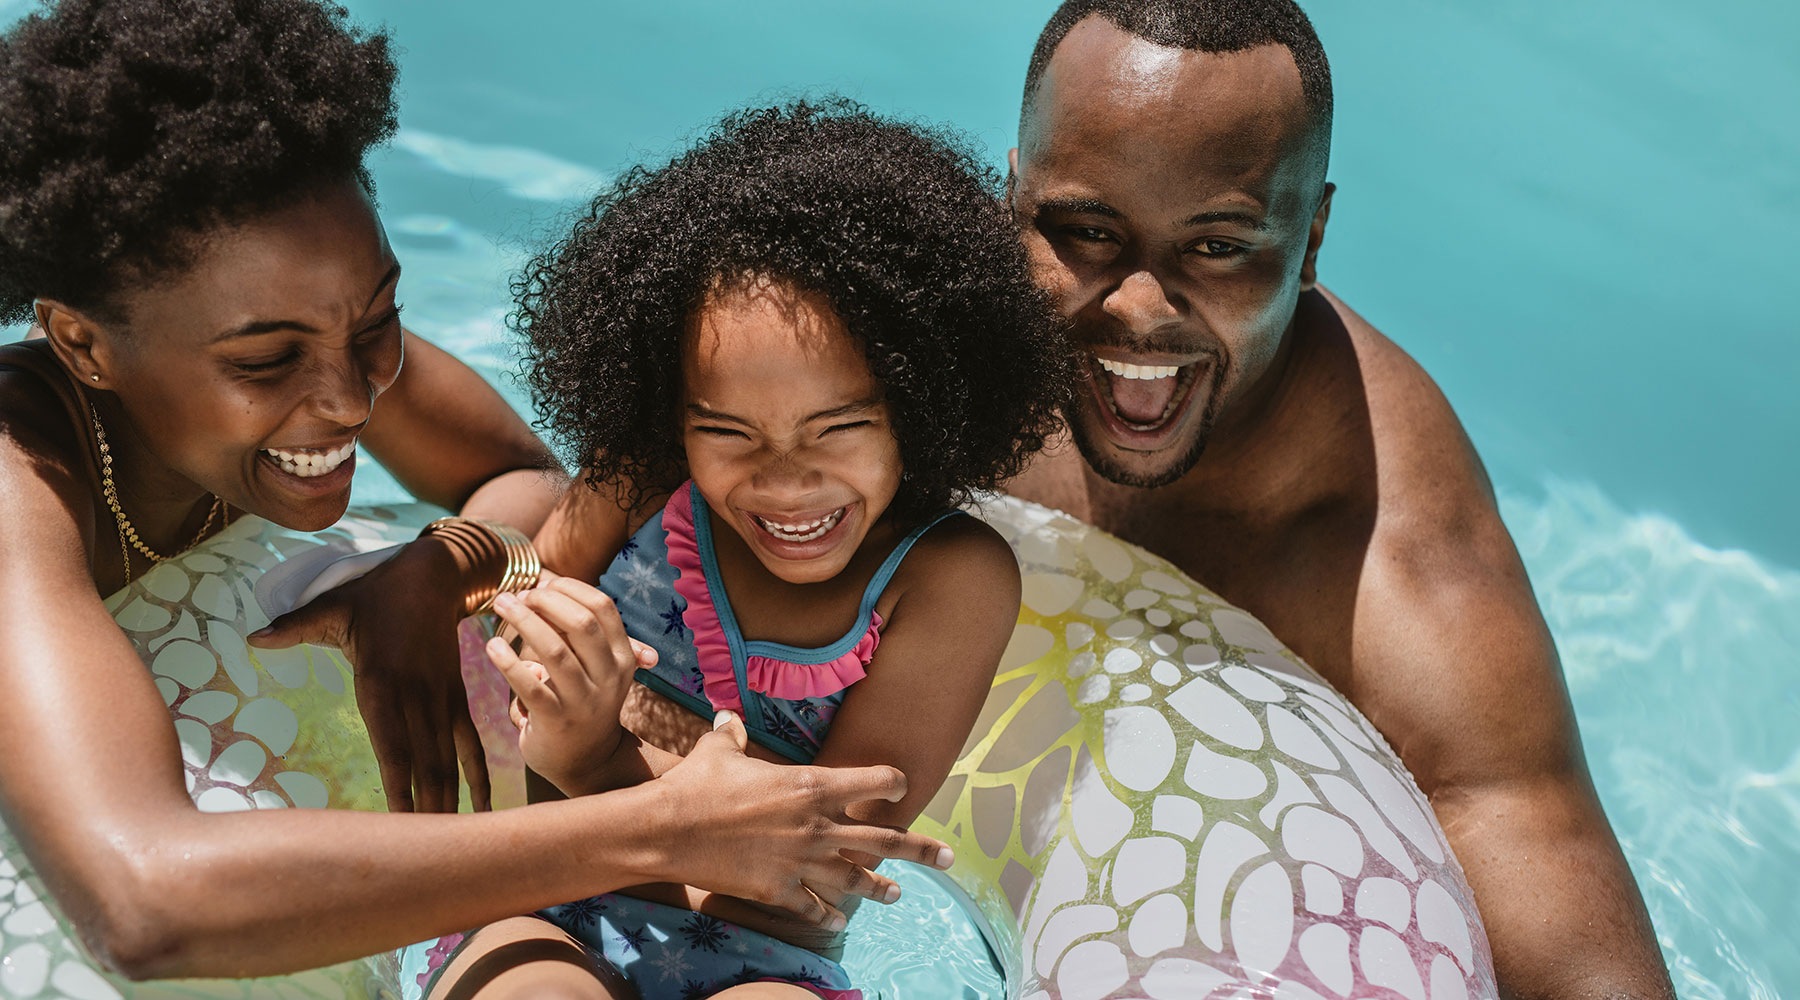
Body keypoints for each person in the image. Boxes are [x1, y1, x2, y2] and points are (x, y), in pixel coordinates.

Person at [0, 1, 950, 984]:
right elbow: (145, 901)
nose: (350, 393)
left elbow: (524, 479)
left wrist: (428, 572)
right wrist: (656, 825)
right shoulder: (17, 480)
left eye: (379, 318)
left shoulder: (315, 332)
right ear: (80, 343)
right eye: (270, 358)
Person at [1001, 1, 1676, 996]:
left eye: (1218, 246)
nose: (1139, 308)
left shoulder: (1387, 567)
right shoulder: (923, 340)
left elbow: (1586, 966)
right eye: (1089, 231)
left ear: (1311, 238)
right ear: (1011, 194)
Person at [414, 101, 1073, 999]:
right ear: (673, 415)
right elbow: (526, 619)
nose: (785, 480)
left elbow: (824, 860)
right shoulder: (644, 475)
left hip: (771, 960)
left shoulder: (946, 576)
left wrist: (597, 754)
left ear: (921, 406)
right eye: (727, 431)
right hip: (547, 898)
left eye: (837, 427)